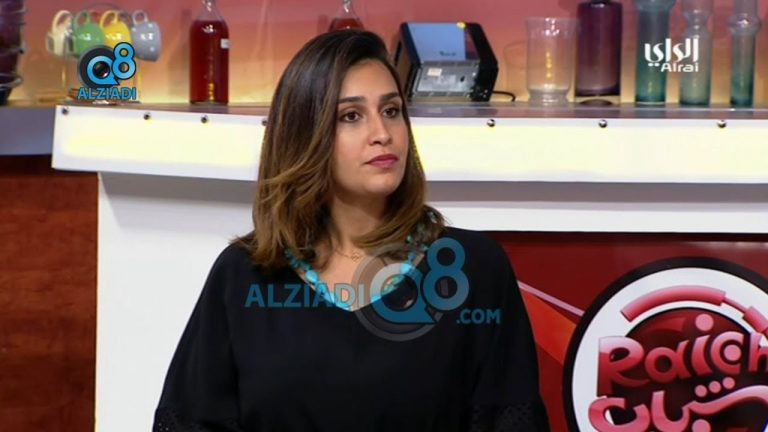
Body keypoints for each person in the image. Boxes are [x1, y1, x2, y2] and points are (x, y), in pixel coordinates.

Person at [153, 30, 549, 432]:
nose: (382, 133)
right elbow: (190, 422)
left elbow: (511, 420)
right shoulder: (244, 274)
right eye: (351, 116)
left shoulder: (472, 268)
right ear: (304, 135)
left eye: (391, 110)